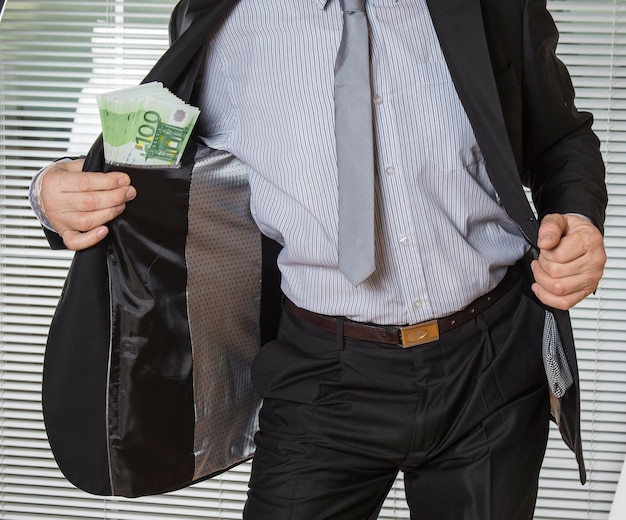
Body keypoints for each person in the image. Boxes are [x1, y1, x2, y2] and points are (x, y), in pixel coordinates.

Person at [31, 0, 607, 518]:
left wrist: (578, 220)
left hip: (492, 365)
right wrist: (50, 195)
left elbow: (561, 138)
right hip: (324, 373)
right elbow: (141, 173)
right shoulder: (216, 24)